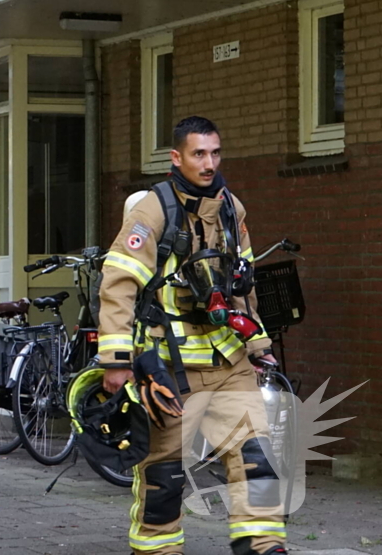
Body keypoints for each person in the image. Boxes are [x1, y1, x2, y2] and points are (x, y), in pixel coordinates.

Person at [98, 117, 286, 555]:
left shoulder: (231, 208)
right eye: (199, 153)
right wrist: (117, 360)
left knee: (256, 459)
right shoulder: (153, 210)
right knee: (163, 476)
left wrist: (257, 343)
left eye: (215, 153)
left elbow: (243, 283)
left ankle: (263, 544)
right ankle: (157, 548)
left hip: (228, 361)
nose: (209, 163)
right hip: (172, 368)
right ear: (176, 157)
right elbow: (119, 283)